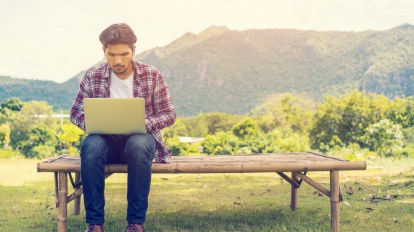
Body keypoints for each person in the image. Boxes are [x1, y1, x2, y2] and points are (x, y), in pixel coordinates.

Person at [70, 23, 176, 232]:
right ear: (104, 51)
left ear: (133, 50)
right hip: (104, 143)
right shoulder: (93, 75)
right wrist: (91, 123)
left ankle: (135, 224)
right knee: (91, 145)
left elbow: (169, 113)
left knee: (138, 143)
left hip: (139, 141)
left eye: (124, 54)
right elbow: (75, 112)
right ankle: (95, 225)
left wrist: (142, 124)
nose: (118, 61)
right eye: (111, 54)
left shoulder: (151, 74)